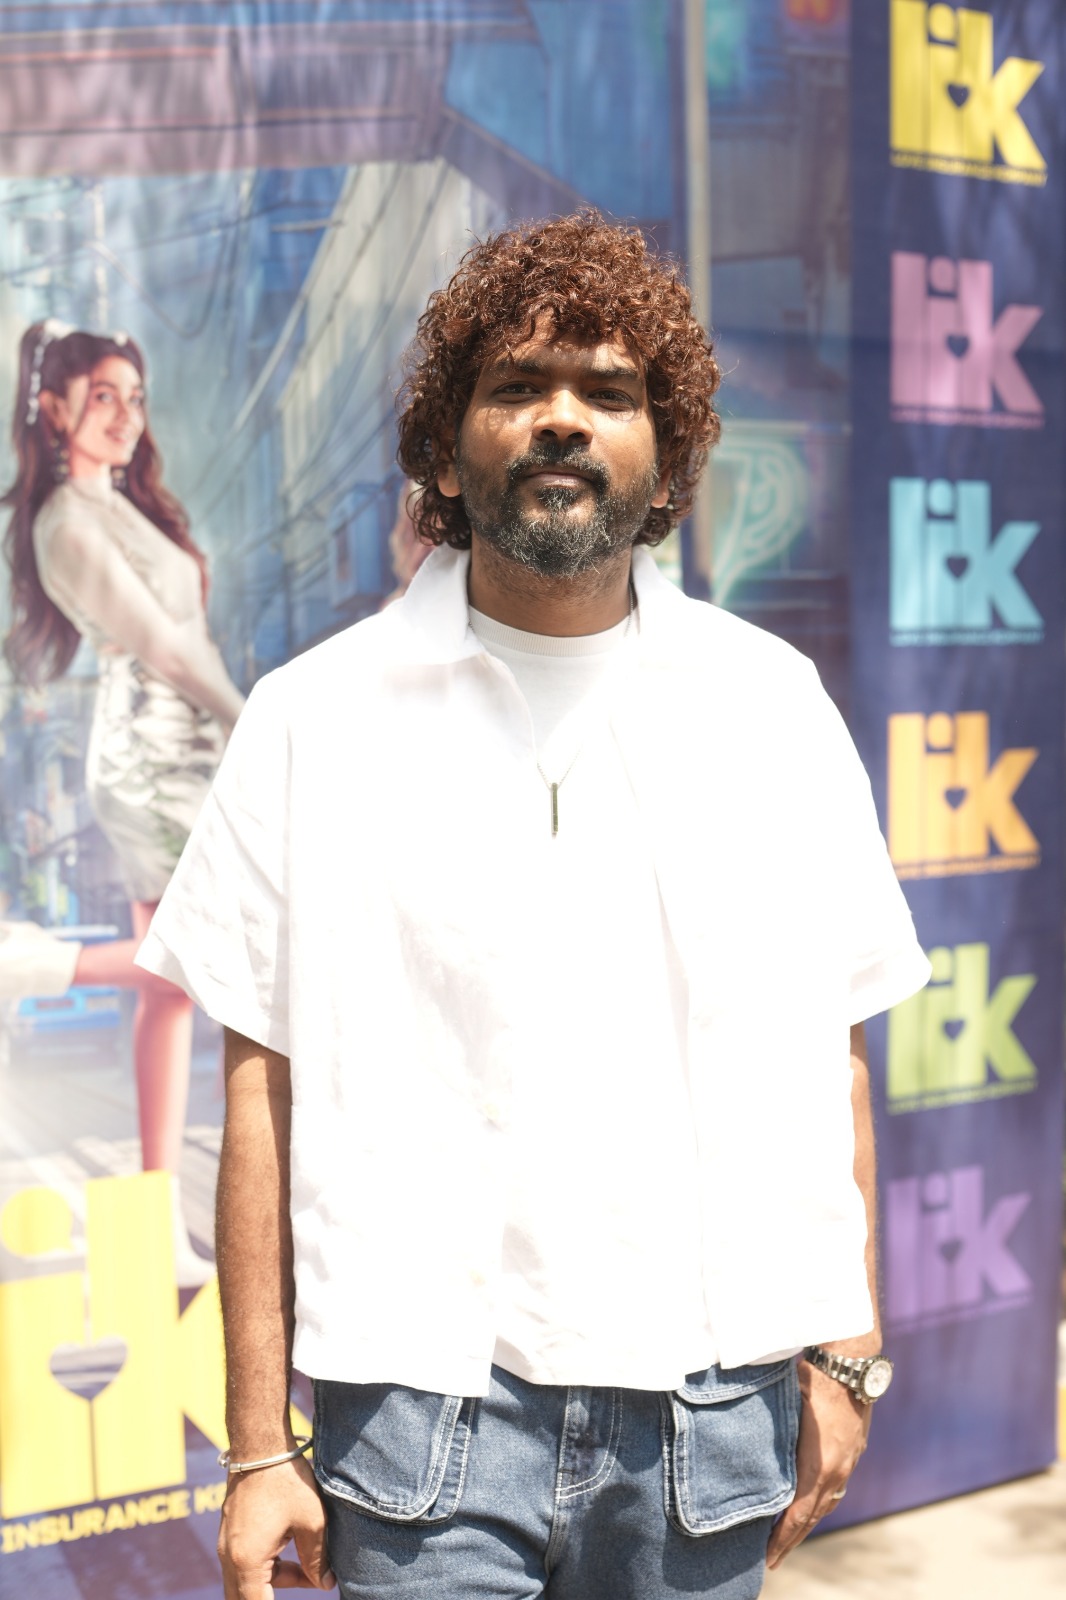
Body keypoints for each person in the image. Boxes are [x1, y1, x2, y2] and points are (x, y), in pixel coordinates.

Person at [138, 214, 931, 1600]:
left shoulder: (769, 709)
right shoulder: (313, 719)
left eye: (607, 392)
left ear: (666, 457)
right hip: (419, 1419)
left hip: (710, 1407)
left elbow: (833, 1054)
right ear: (448, 454)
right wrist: (258, 1443)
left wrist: (844, 1353)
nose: (562, 417)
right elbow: (258, 1090)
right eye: (516, 386)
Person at [2, 319, 245, 1283]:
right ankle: (35, 962)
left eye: (134, 398)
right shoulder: (65, 521)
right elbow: (167, 649)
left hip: (191, 744)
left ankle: (152, 1232)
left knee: (173, 991)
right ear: (53, 406)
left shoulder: (122, 504)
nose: (125, 415)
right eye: (103, 395)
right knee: (191, 966)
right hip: (150, 757)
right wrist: (249, 716)